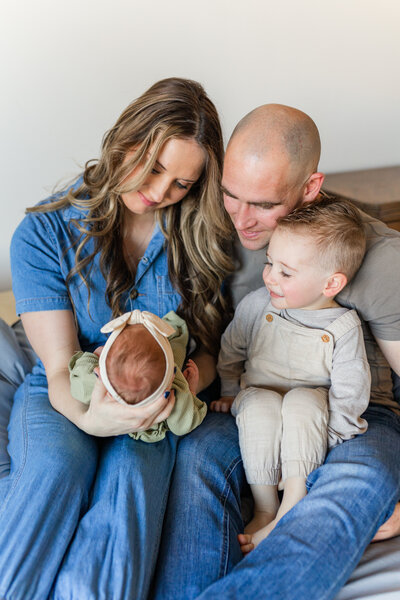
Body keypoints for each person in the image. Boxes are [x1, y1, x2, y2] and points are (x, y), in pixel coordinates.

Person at [152, 104, 400, 600]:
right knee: (195, 458)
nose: (242, 220)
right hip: (252, 397)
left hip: (356, 413)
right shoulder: (209, 231)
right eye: (230, 195)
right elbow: (211, 347)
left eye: (264, 205)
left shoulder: (378, 258)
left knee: (360, 483)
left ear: (310, 188)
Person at [0, 77, 234, 600]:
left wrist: (194, 379)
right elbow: (60, 369)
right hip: (63, 393)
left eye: (181, 184)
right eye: (153, 167)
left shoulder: (198, 234)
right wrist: (89, 417)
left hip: (157, 400)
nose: (159, 192)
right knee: (57, 469)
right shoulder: (44, 234)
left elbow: (211, 353)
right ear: (126, 139)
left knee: (131, 485)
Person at [211, 198, 371, 552]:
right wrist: (228, 390)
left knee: (303, 401)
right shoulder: (258, 304)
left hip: (311, 406)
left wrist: (331, 436)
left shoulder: (343, 327)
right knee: (258, 406)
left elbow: (350, 391)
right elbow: (231, 350)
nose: (269, 277)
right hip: (258, 393)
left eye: (286, 272)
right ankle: (265, 506)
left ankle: (294, 500)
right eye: (269, 263)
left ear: (331, 284)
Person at [70, 308, 206, 441]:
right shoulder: (175, 392)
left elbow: (77, 381)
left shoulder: (94, 383)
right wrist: (190, 391)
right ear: (169, 375)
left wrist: (95, 356)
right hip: (156, 426)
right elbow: (184, 424)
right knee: (176, 344)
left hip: (106, 426)